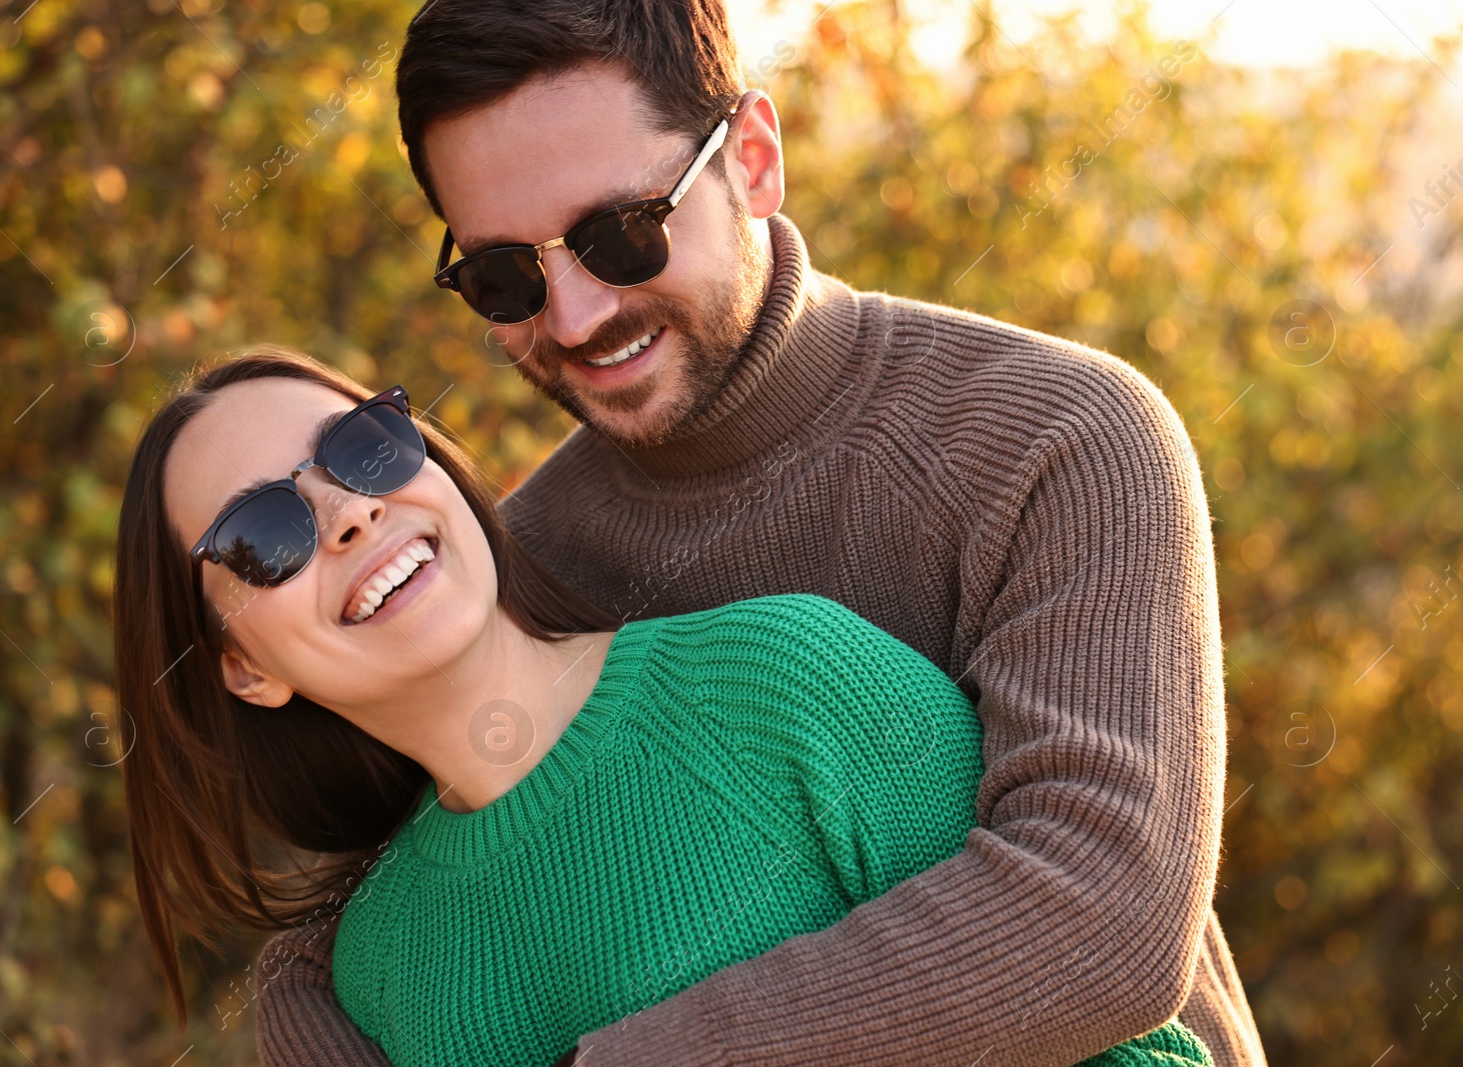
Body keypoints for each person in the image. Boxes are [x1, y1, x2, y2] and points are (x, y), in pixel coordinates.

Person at [253, 1, 1268, 1065]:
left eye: (621, 235)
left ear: (752, 157)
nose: (574, 316)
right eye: (503, 276)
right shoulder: (517, 565)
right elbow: (365, 900)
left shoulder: (1061, 436)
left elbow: (1103, 918)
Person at [113, 348, 1214, 1067]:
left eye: (361, 448)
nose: (350, 513)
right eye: (264, 532)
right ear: (242, 668)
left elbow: (1135, 1045)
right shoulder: (376, 975)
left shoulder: (783, 680)